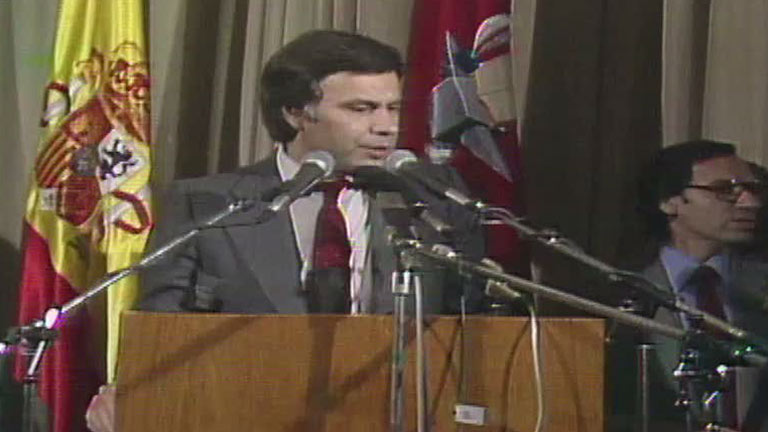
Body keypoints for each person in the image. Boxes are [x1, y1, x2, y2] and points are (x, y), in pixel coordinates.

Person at [85, 29, 485, 432]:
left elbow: (469, 326)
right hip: (243, 413)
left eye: (392, 108)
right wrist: (131, 391)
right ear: (295, 112)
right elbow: (162, 328)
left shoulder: (436, 200)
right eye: (361, 108)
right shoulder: (207, 205)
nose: (385, 127)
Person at [615, 140, 768, 430]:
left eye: (753, 190)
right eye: (725, 190)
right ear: (670, 202)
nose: (750, 203)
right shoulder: (619, 291)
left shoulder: (759, 284)